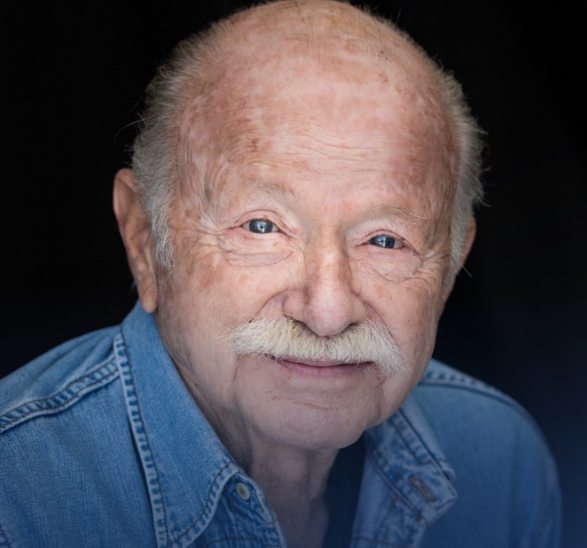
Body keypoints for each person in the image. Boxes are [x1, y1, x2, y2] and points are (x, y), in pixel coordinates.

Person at [0, 1, 561, 547]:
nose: (328, 312)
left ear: (450, 267)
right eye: (263, 227)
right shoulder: (16, 501)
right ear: (144, 240)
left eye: (385, 240)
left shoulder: (501, 461)